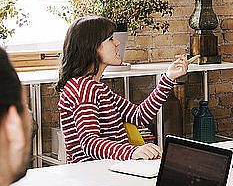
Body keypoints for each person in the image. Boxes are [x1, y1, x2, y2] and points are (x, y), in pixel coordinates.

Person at [0, 46, 150, 186]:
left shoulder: (100, 88)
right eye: (26, 109)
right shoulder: (82, 88)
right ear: (12, 126)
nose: (117, 45)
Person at [56, 16, 190, 163]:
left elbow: (139, 116)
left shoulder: (97, 88)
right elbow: (90, 143)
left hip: (108, 170)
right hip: (95, 176)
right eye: (110, 39)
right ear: (92, 46)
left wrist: (168, 78)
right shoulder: (83, 88)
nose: (117, 43)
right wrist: (133, 151)